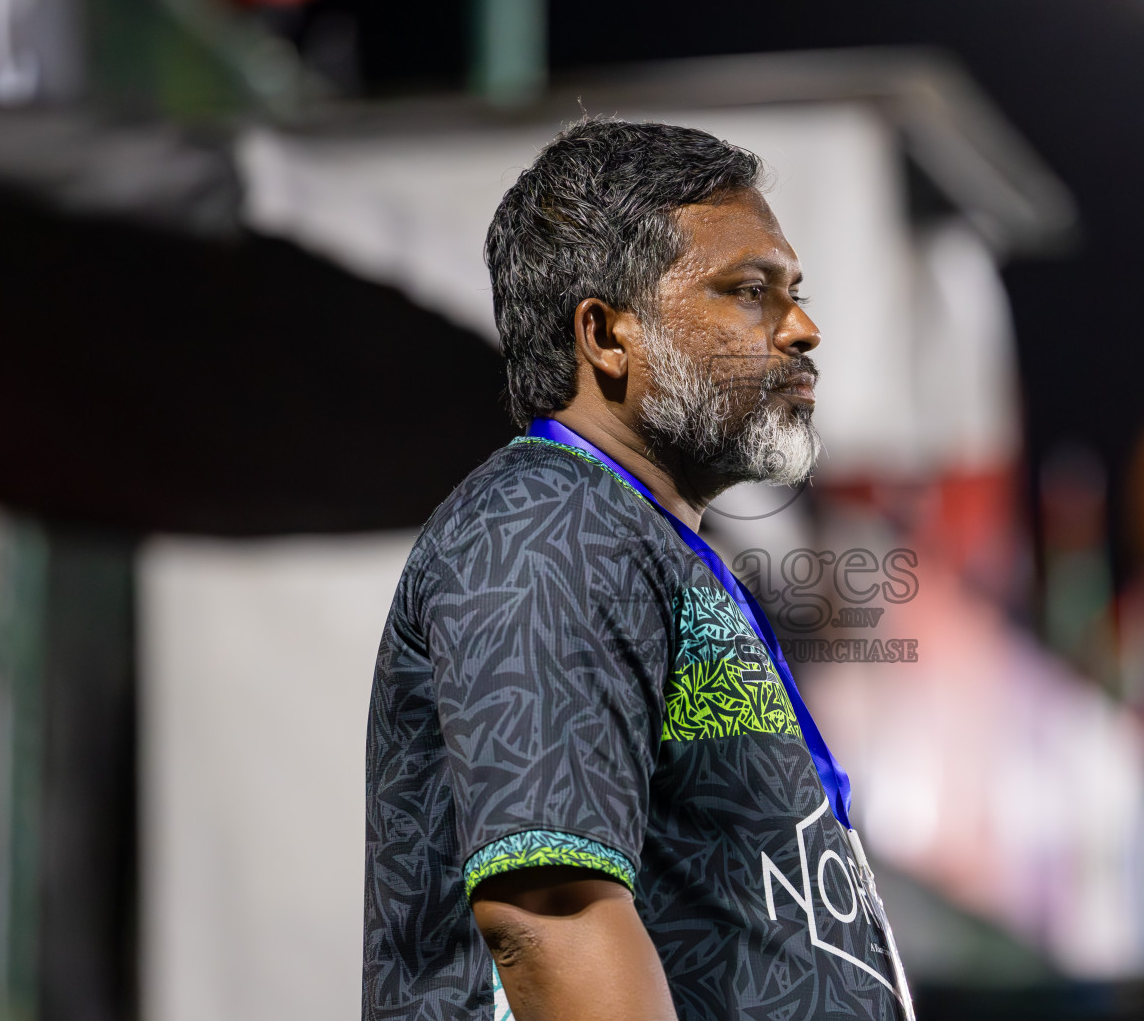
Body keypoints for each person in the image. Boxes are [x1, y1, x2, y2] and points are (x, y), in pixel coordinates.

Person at [363, 118, 912, 1021]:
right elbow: (550, 916)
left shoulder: (639, 540)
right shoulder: (545, 522)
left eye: (795, 292)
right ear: (607, 335)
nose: (803, 329)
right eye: (750, 292)